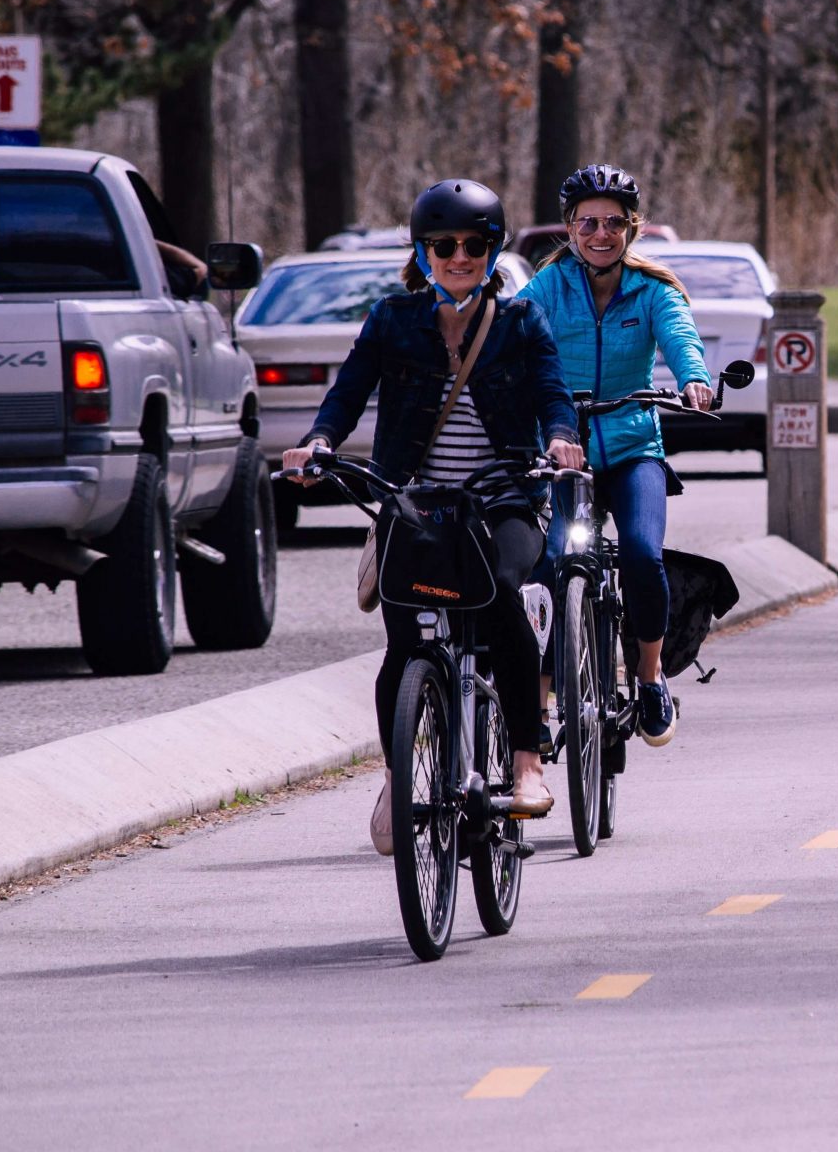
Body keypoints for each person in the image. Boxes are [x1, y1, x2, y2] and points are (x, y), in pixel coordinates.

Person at [282, 179, 583, 854]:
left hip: (502, 497)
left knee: (501, 595)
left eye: (473, 246)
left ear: (492, 251)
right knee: (407, 645)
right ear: (421, 253)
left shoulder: (519, 322)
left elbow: (552, 393)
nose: (458, 257)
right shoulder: (393, 320)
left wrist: (561, 437)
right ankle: (398, 772)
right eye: (442, 246)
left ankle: (526, 764)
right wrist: (321, 445)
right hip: (413, 504)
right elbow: (348, 392)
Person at [522, 163, 711, 746]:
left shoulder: (654, 290)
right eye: (587, 224)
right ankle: (540, 701)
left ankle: (650, 680)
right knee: (551, 562)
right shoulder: (548, 288)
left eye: (612, 223)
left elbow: (682, 339)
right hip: (563, 451)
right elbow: (515, 338)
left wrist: (695, 380)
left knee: (641, 557)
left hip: (633, 448)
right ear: (569, 229)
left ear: (632, 227)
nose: (600, 235)